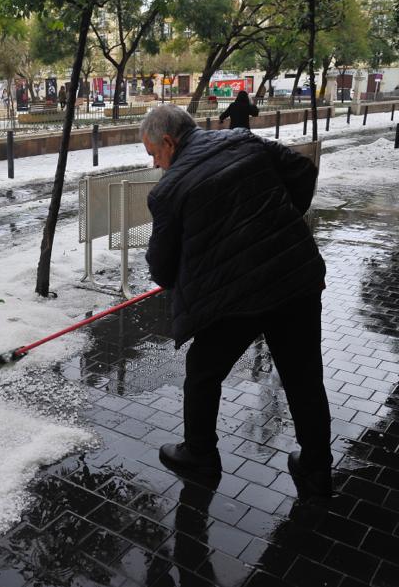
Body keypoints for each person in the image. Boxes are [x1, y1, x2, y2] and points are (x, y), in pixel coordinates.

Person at [140, 105, 332, 500]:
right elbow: (302, 170)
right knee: (304, 375)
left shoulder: (170, 190)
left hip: (233, 299)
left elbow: (161, 268)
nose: (156, 164)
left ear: (169, 142)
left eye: (153, 154)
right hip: (294, 278)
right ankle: (315, 464)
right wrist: (278, 225)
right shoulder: (243, 139)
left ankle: (200, 454)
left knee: (203, 371)